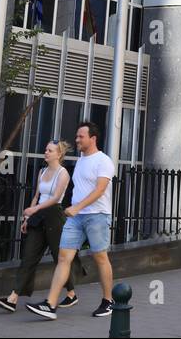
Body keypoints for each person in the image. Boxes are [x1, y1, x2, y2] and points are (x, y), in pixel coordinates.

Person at [26, 121, 115, 320]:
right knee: (63, 258)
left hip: (96, 216)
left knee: (100, 257)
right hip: (76, 218)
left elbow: (100, 190)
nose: (76, 140)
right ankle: (50, 304)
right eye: (76, 136)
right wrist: (74, 208)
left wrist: (77, 207)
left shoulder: (104, 161)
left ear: (93, 138)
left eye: (80, 136)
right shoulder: (81, 160)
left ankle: (108, 300)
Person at [0, 140, 85, 312]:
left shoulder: (63, 173)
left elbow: (56, 198)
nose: (46, 152)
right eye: (45, 149)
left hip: (54, 216)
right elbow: (36, 196)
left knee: (60, 258)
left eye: (50, 150)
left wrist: (35, 209)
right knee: (29, 257)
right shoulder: (42, 171)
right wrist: (28, 218)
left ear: (59, 154)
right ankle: (13, 298)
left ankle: (71, 293)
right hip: (39, 216)